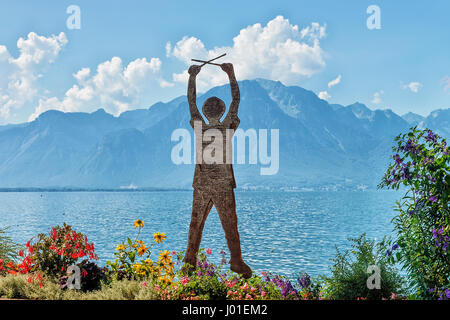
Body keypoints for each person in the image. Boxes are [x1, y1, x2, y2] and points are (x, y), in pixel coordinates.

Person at [183, 62, 252, 279]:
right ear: (222, 111)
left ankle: (189, 261)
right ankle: (236, 259)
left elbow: (190, 101)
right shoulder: (227, 126)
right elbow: (236, 100)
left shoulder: (198, 126)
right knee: (230, 224)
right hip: (222, 184)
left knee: (196, 224)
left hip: (202, 183)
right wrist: (231, 73)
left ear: (205, 111)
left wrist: (192, 77)